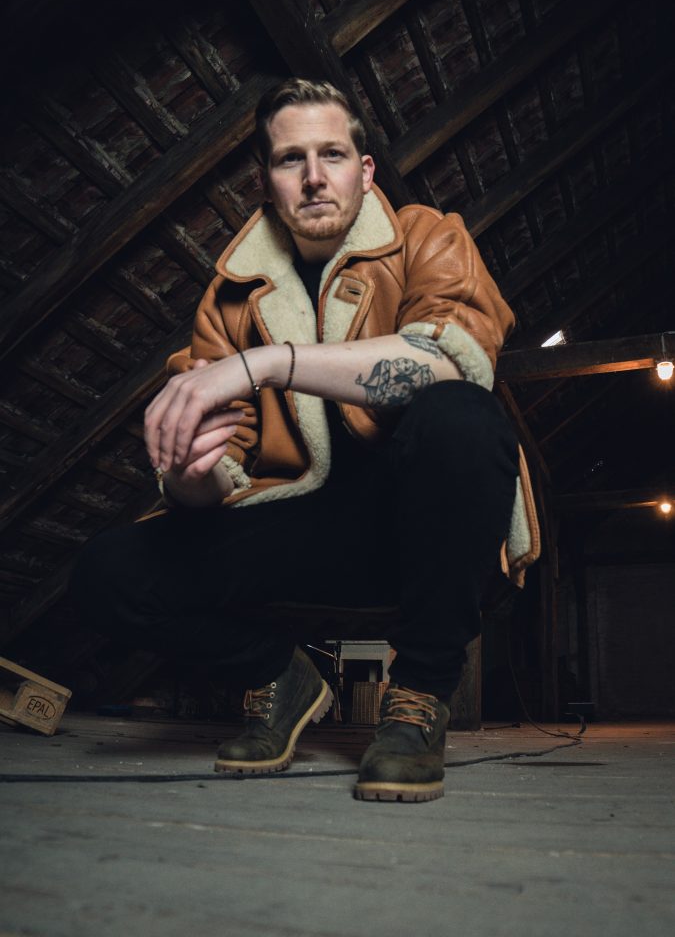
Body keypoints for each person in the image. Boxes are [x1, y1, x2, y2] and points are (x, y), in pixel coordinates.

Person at [72, 78, 538, 803]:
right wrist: (193, 475)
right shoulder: (231, 295)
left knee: (462, 415)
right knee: (107, 572)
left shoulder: (428, 236)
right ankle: (277, 675)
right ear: (266, 182)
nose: (315, 176)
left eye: (333, 154)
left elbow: (452, 360)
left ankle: (418, 698)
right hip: (301, 530)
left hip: (423, 529)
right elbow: (223, 471)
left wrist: (268, 362)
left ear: (365, 170)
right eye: (292, 159)